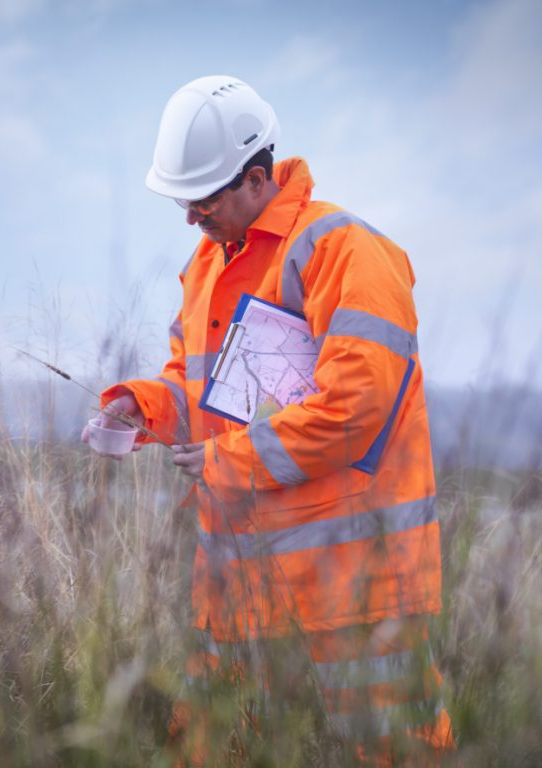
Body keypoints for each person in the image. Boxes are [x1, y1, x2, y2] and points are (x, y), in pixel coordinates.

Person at [84, 75, 453, 764]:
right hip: (238, 587)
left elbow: (357, 407)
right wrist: (145, 405)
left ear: (257, 179)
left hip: (355, 585)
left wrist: (233, 463)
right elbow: (198, 387)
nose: (191, 220)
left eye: (202, 200)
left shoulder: (345, 251)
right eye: (182, 203)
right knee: (210, 748)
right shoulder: (207, 269)